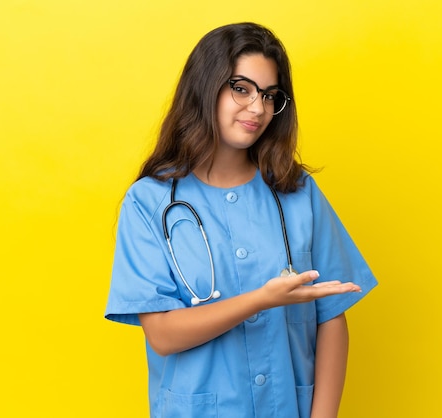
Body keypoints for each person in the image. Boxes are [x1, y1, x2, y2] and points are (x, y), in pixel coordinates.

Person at [105, 22, 378, 418]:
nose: (258, 108)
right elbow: (162, 335)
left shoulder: (297, 192)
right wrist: (262, 300)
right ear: (205, 86)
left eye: (270, 95)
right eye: (241, 88)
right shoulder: (150, 202)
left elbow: (332, 315)